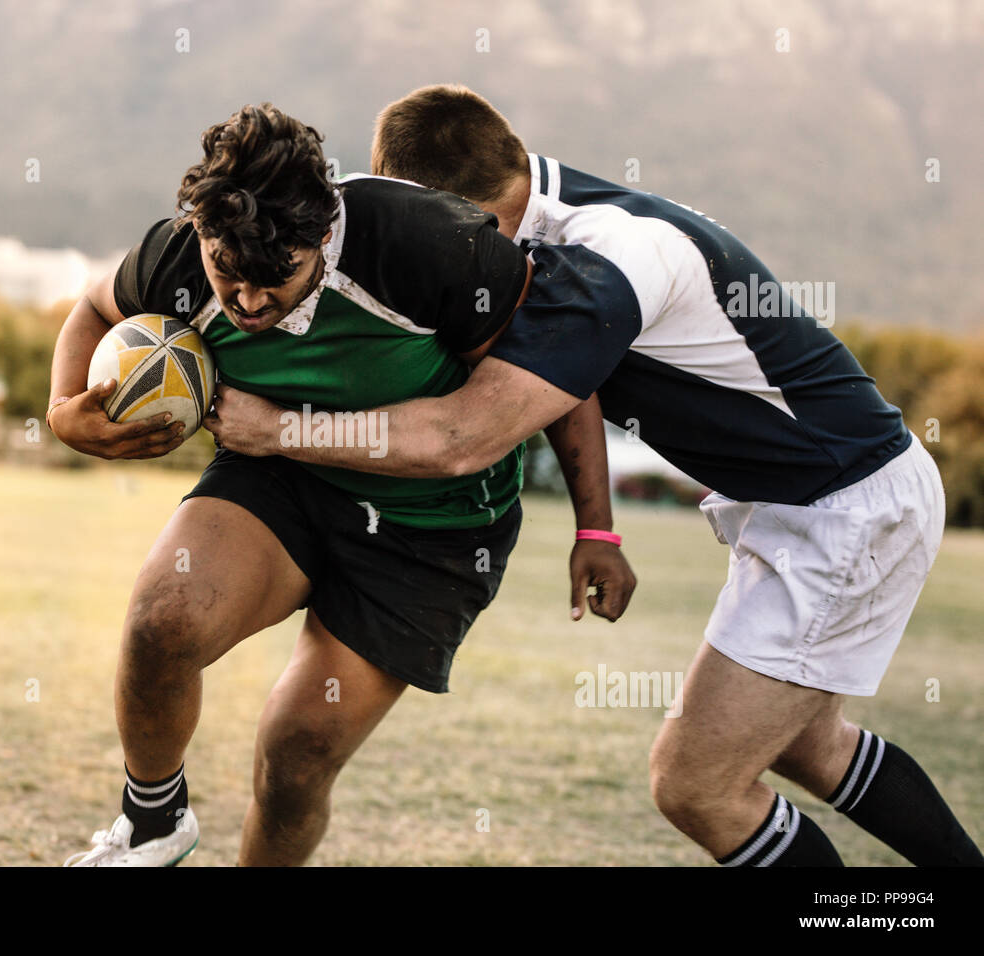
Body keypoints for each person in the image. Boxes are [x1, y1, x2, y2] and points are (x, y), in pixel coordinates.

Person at [206, 85, 983, 866]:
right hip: (817, 500)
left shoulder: (607, 253)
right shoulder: (550, 227)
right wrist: (597, 526)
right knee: (808, 746)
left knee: (697, 785)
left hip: (843, 508)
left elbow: (461, 438)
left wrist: (277, 430)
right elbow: (583, 382)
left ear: (432, 202)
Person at [46, 102, 634, 866]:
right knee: (162, 620)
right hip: (282, 479)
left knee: (294, 754)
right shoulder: (182, 255)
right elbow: (94, 308)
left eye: (275, 279)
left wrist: (597, 529)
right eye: (230, 275)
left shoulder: (431, 246)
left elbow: (562, 368)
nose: (249, 303)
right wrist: (64, 415)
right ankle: (153, 823)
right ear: (201, 232)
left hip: (433, 528)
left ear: (323, 233)